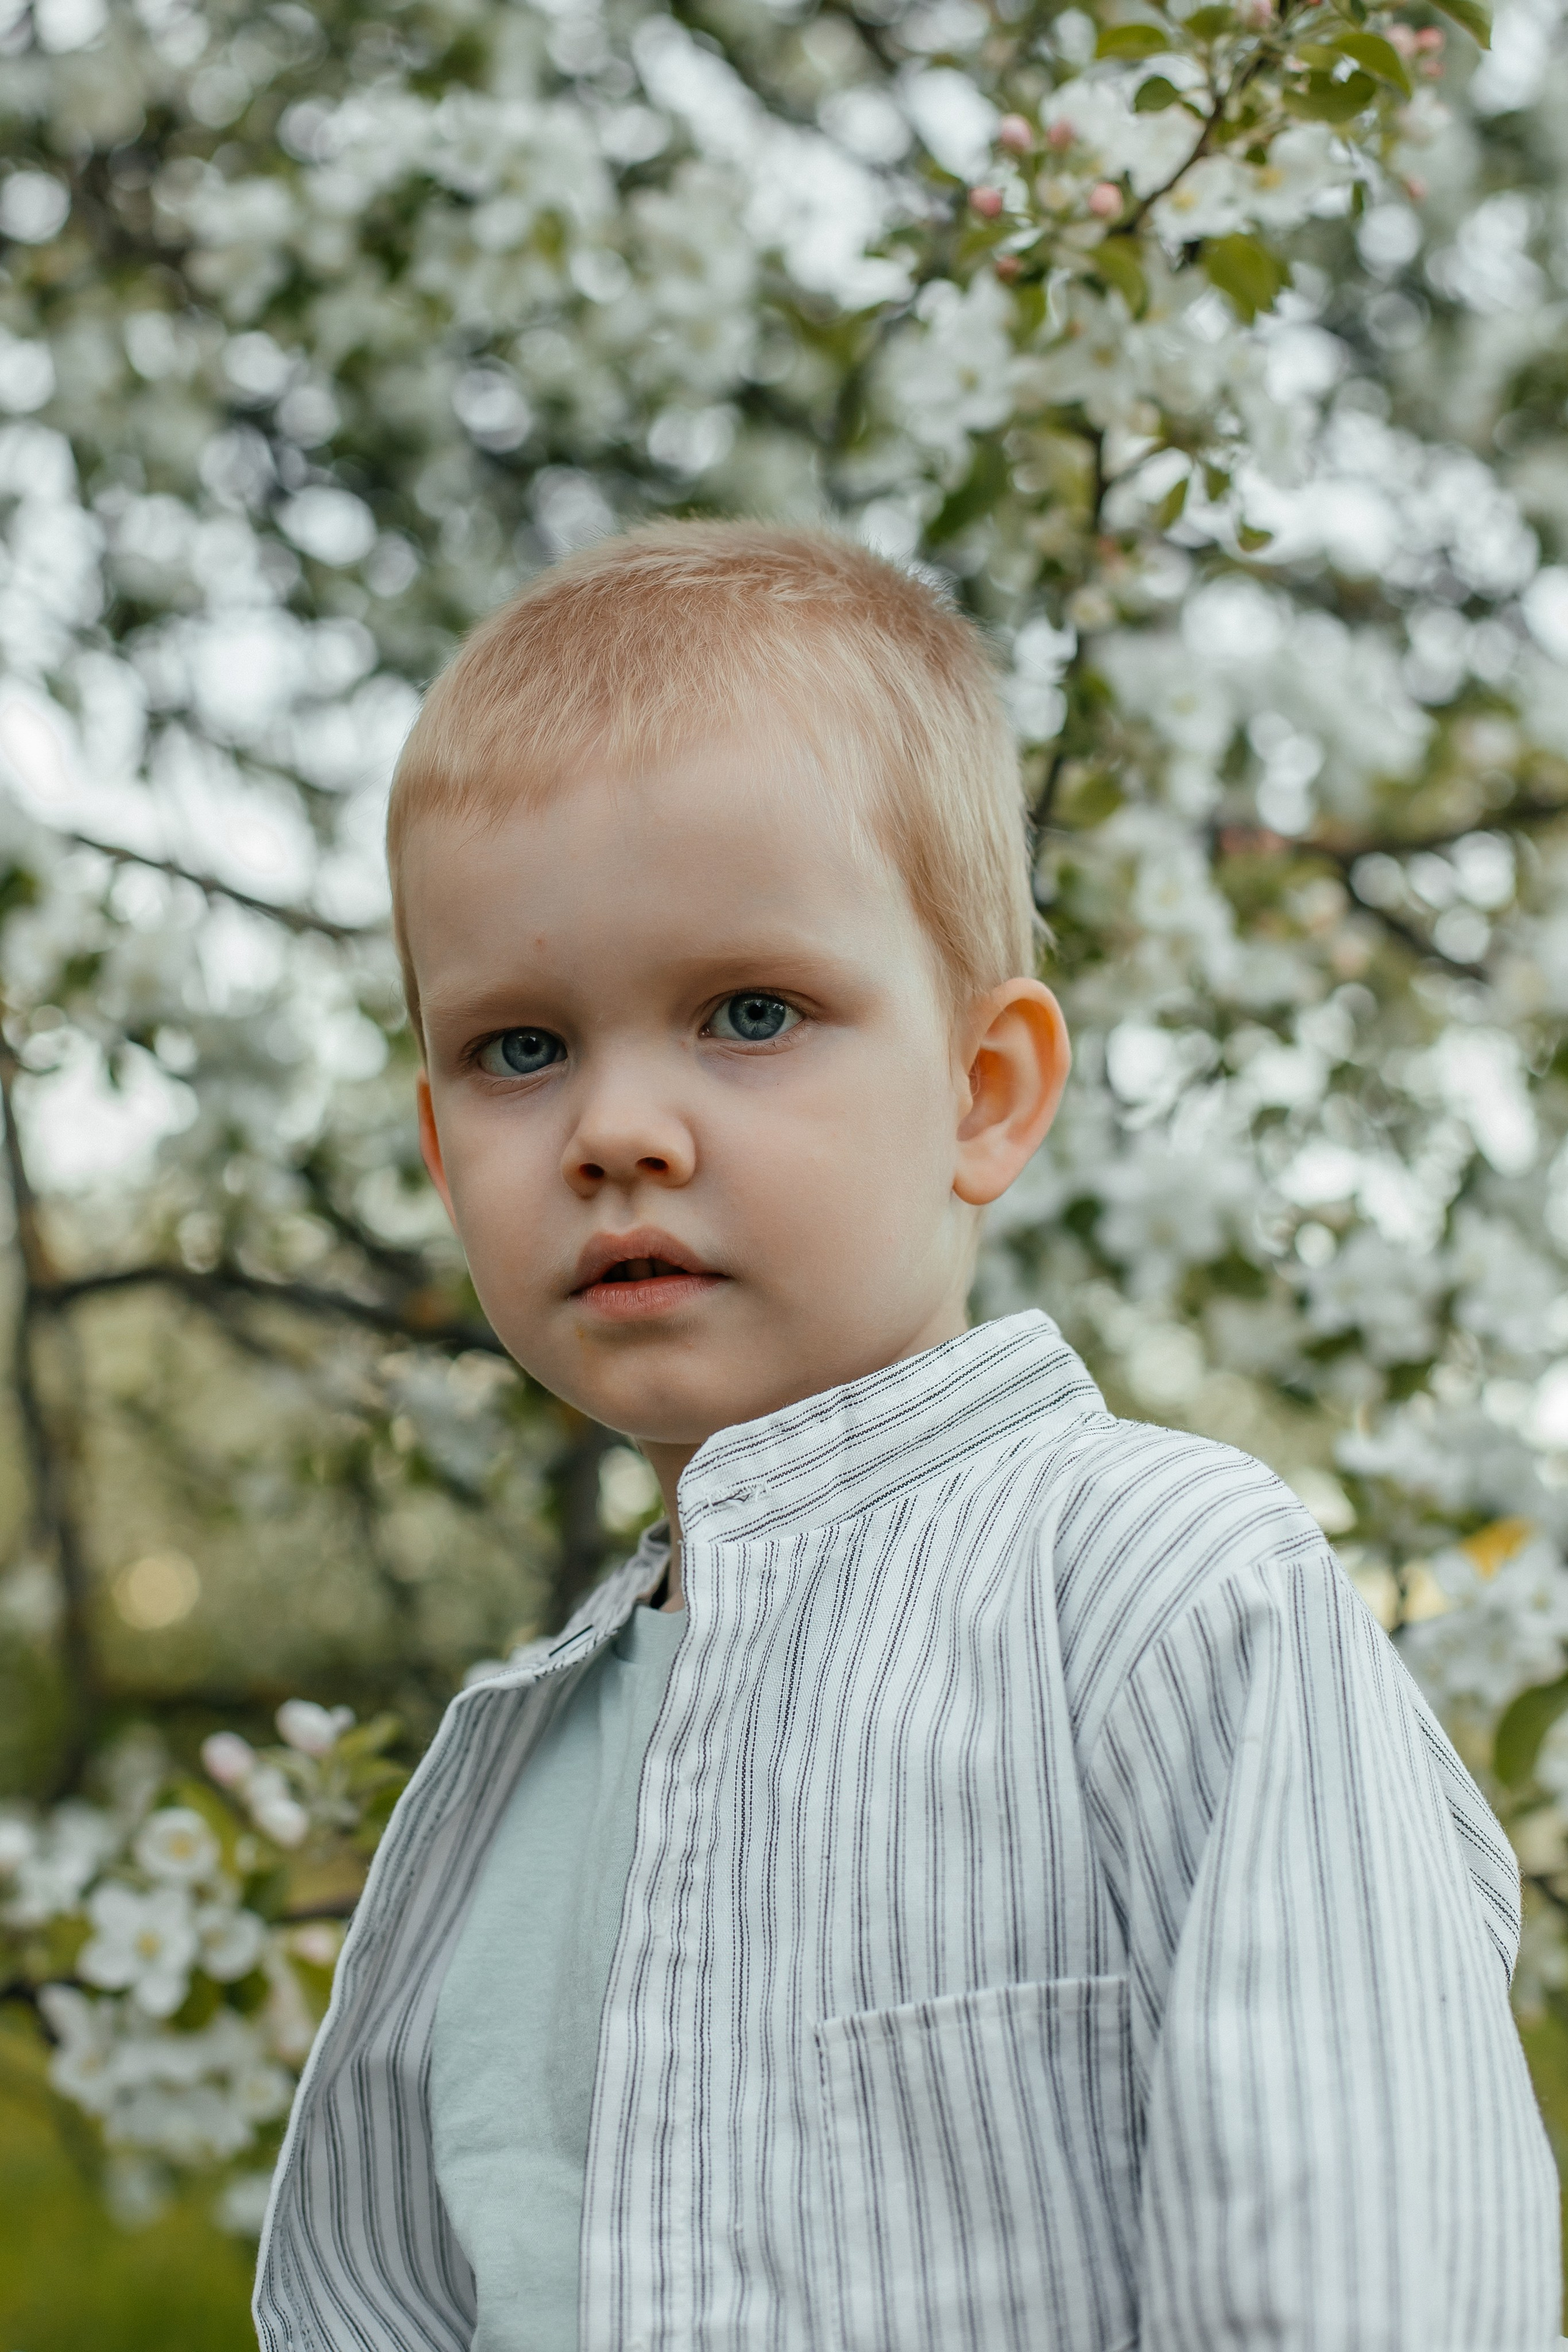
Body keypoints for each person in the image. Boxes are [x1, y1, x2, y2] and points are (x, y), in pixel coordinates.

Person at [254, 522, 1560, 2352]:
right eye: (520, 1050)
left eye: (751, 1013)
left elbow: (1373, 2280)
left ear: (985, 1091)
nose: (619, 1127)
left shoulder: (1168, 1593)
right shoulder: (511, 1776)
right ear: (435, 1145)